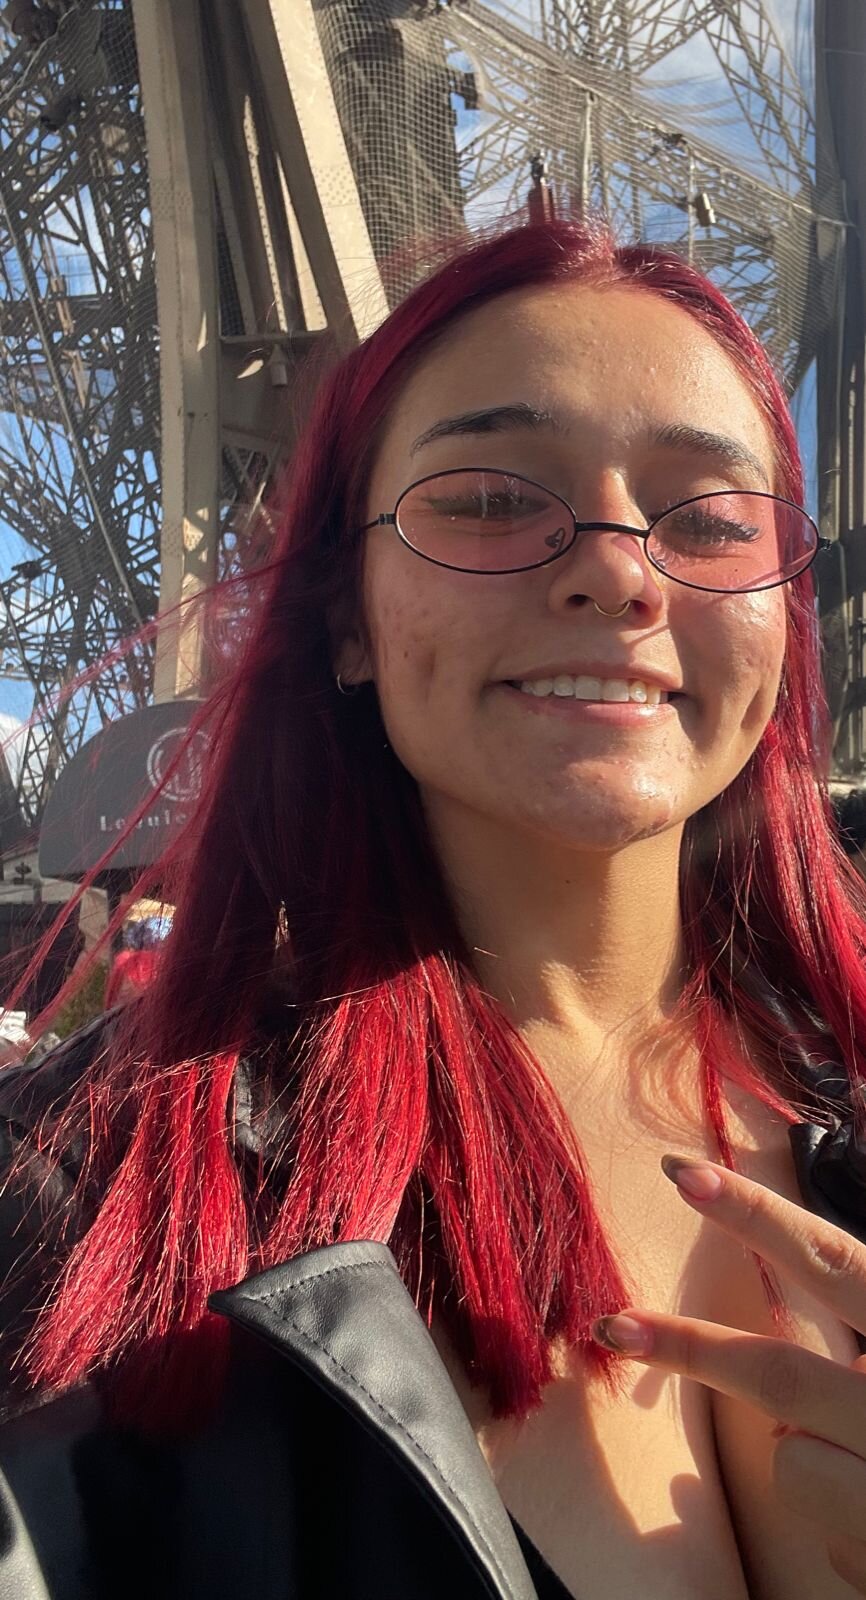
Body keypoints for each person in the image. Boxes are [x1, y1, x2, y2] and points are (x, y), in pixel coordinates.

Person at [1, 215, 866, 1600]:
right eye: (485, 500)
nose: (618, 572)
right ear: (345, 618)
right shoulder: (81, 1203)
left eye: (710, 521)